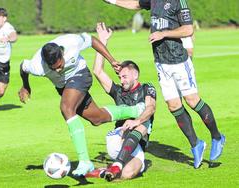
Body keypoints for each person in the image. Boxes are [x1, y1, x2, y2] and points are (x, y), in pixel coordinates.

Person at [103, 0, 225, 168]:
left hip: (179, 62)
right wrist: (113, 1)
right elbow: (135, 4)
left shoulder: (179, 2)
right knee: (174, 106)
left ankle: (217, 136)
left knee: (192, 101)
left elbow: (188, 29)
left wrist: (163, 33)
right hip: (161, 63)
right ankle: (196, 144)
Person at [18, 32, 146, 176]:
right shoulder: (37, 66)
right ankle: (134, 110)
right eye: (54, 69)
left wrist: (111, 60)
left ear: (62, 53)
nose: (58, 70)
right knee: (96, 118)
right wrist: (26, 86)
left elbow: (92, 41)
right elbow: (23, 66)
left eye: (60, 65)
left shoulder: (72, 42)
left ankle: (84, 161)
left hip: (80, 75)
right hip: (64, 88)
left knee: (66, 108)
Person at [85, 23, 156, 181]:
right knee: (143, 125)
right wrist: (103, 41)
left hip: (134, 144)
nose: (121, 80)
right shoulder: (118, 91)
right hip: (117, 138)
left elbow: (150, 108)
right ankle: (117, 164)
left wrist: (136, 120)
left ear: (135, 75)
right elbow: (97, 71)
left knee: (128, 174)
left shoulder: (147, 88)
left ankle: (104, 170)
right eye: (120, 77)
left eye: (125, 76)